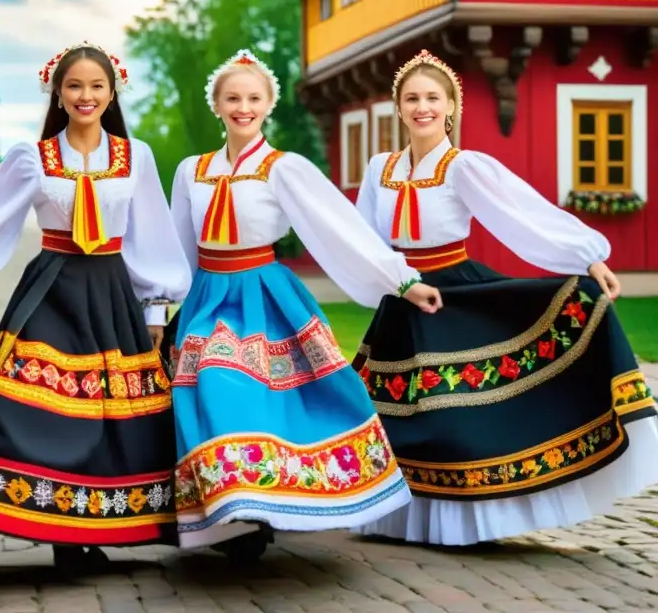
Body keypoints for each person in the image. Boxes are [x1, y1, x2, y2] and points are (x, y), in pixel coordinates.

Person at [351, 49, 658, 545]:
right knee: (392, 419)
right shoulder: (379, 169)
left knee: (454, 417)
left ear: (451, 107)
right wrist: (385, 279)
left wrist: (587, 258)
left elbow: (522, 214)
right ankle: (402, 520)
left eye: (433, 97)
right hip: (401, 299)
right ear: (399, 107)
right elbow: (361, 238)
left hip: (453, 294)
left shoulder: (461, 165)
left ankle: (468, 523)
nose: (422, 107)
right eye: (412, 98)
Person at [0, 43, 192, 570]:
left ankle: (104, 522)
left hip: (112, 293)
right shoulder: (31, 157)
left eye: (96, 86)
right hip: (52, 288)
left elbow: (149, 236)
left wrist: (155, 307)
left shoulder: (137, 156)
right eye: (75, 86)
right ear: (57, 93)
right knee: (36, 403)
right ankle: (57, 530)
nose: (86, 96)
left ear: (113, 92)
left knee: (114, 412)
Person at [162, 49, 443, 558]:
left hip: (265, 296)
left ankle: (262, 506)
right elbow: (177, 247)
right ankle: (232, 513)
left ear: (268, 105)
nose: (242, 107)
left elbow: (339, 226)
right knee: (208, 384)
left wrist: (401, 280)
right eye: (232, 98)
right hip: (208, 296)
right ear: (217, 105)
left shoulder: (283, 168)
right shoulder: (191, 171)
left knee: (254, 392)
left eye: (253, 98)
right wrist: (160, 307)